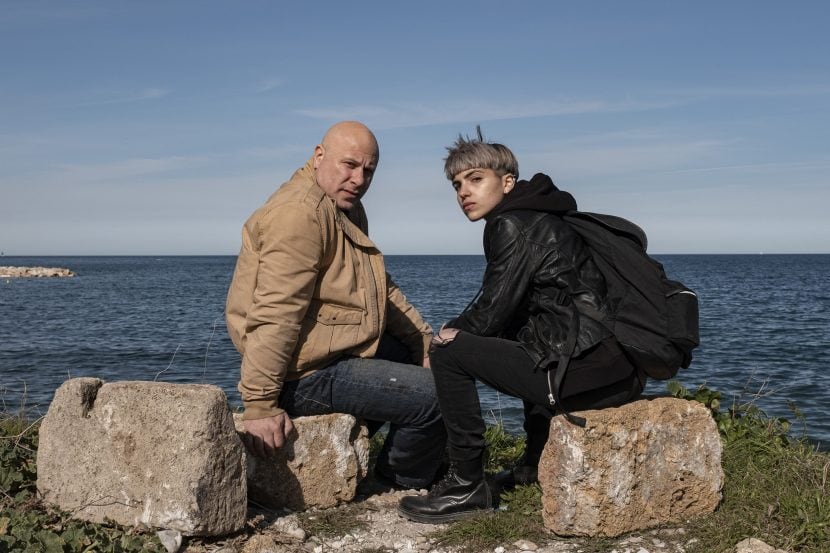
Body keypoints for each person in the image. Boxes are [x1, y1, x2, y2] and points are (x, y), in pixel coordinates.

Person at [397, 129, 644, 523]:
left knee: (447, 351)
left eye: (476, 179)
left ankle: (465, 484)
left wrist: (442, 334)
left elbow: (489, 313)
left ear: (507, 181)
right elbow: (510, 316)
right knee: (522, 335)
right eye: (457, 184)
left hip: (581, 370)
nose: (464, 192)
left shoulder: (511, 224)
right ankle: (532, 464)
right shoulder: (539, 216)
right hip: (608, 368)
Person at [226, 121, 445, 490]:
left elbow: (380, 290)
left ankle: (369, 453)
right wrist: (260, 405)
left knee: (436, 366)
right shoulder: (300, 214)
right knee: (439, 399)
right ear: (319, 156)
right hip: (302, 375)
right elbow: (276, 313)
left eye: (368, 170)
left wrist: (422, 341)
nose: (359, 179)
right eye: (349, 165)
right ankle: (399, 486)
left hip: (329, 354)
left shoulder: (344, 206)